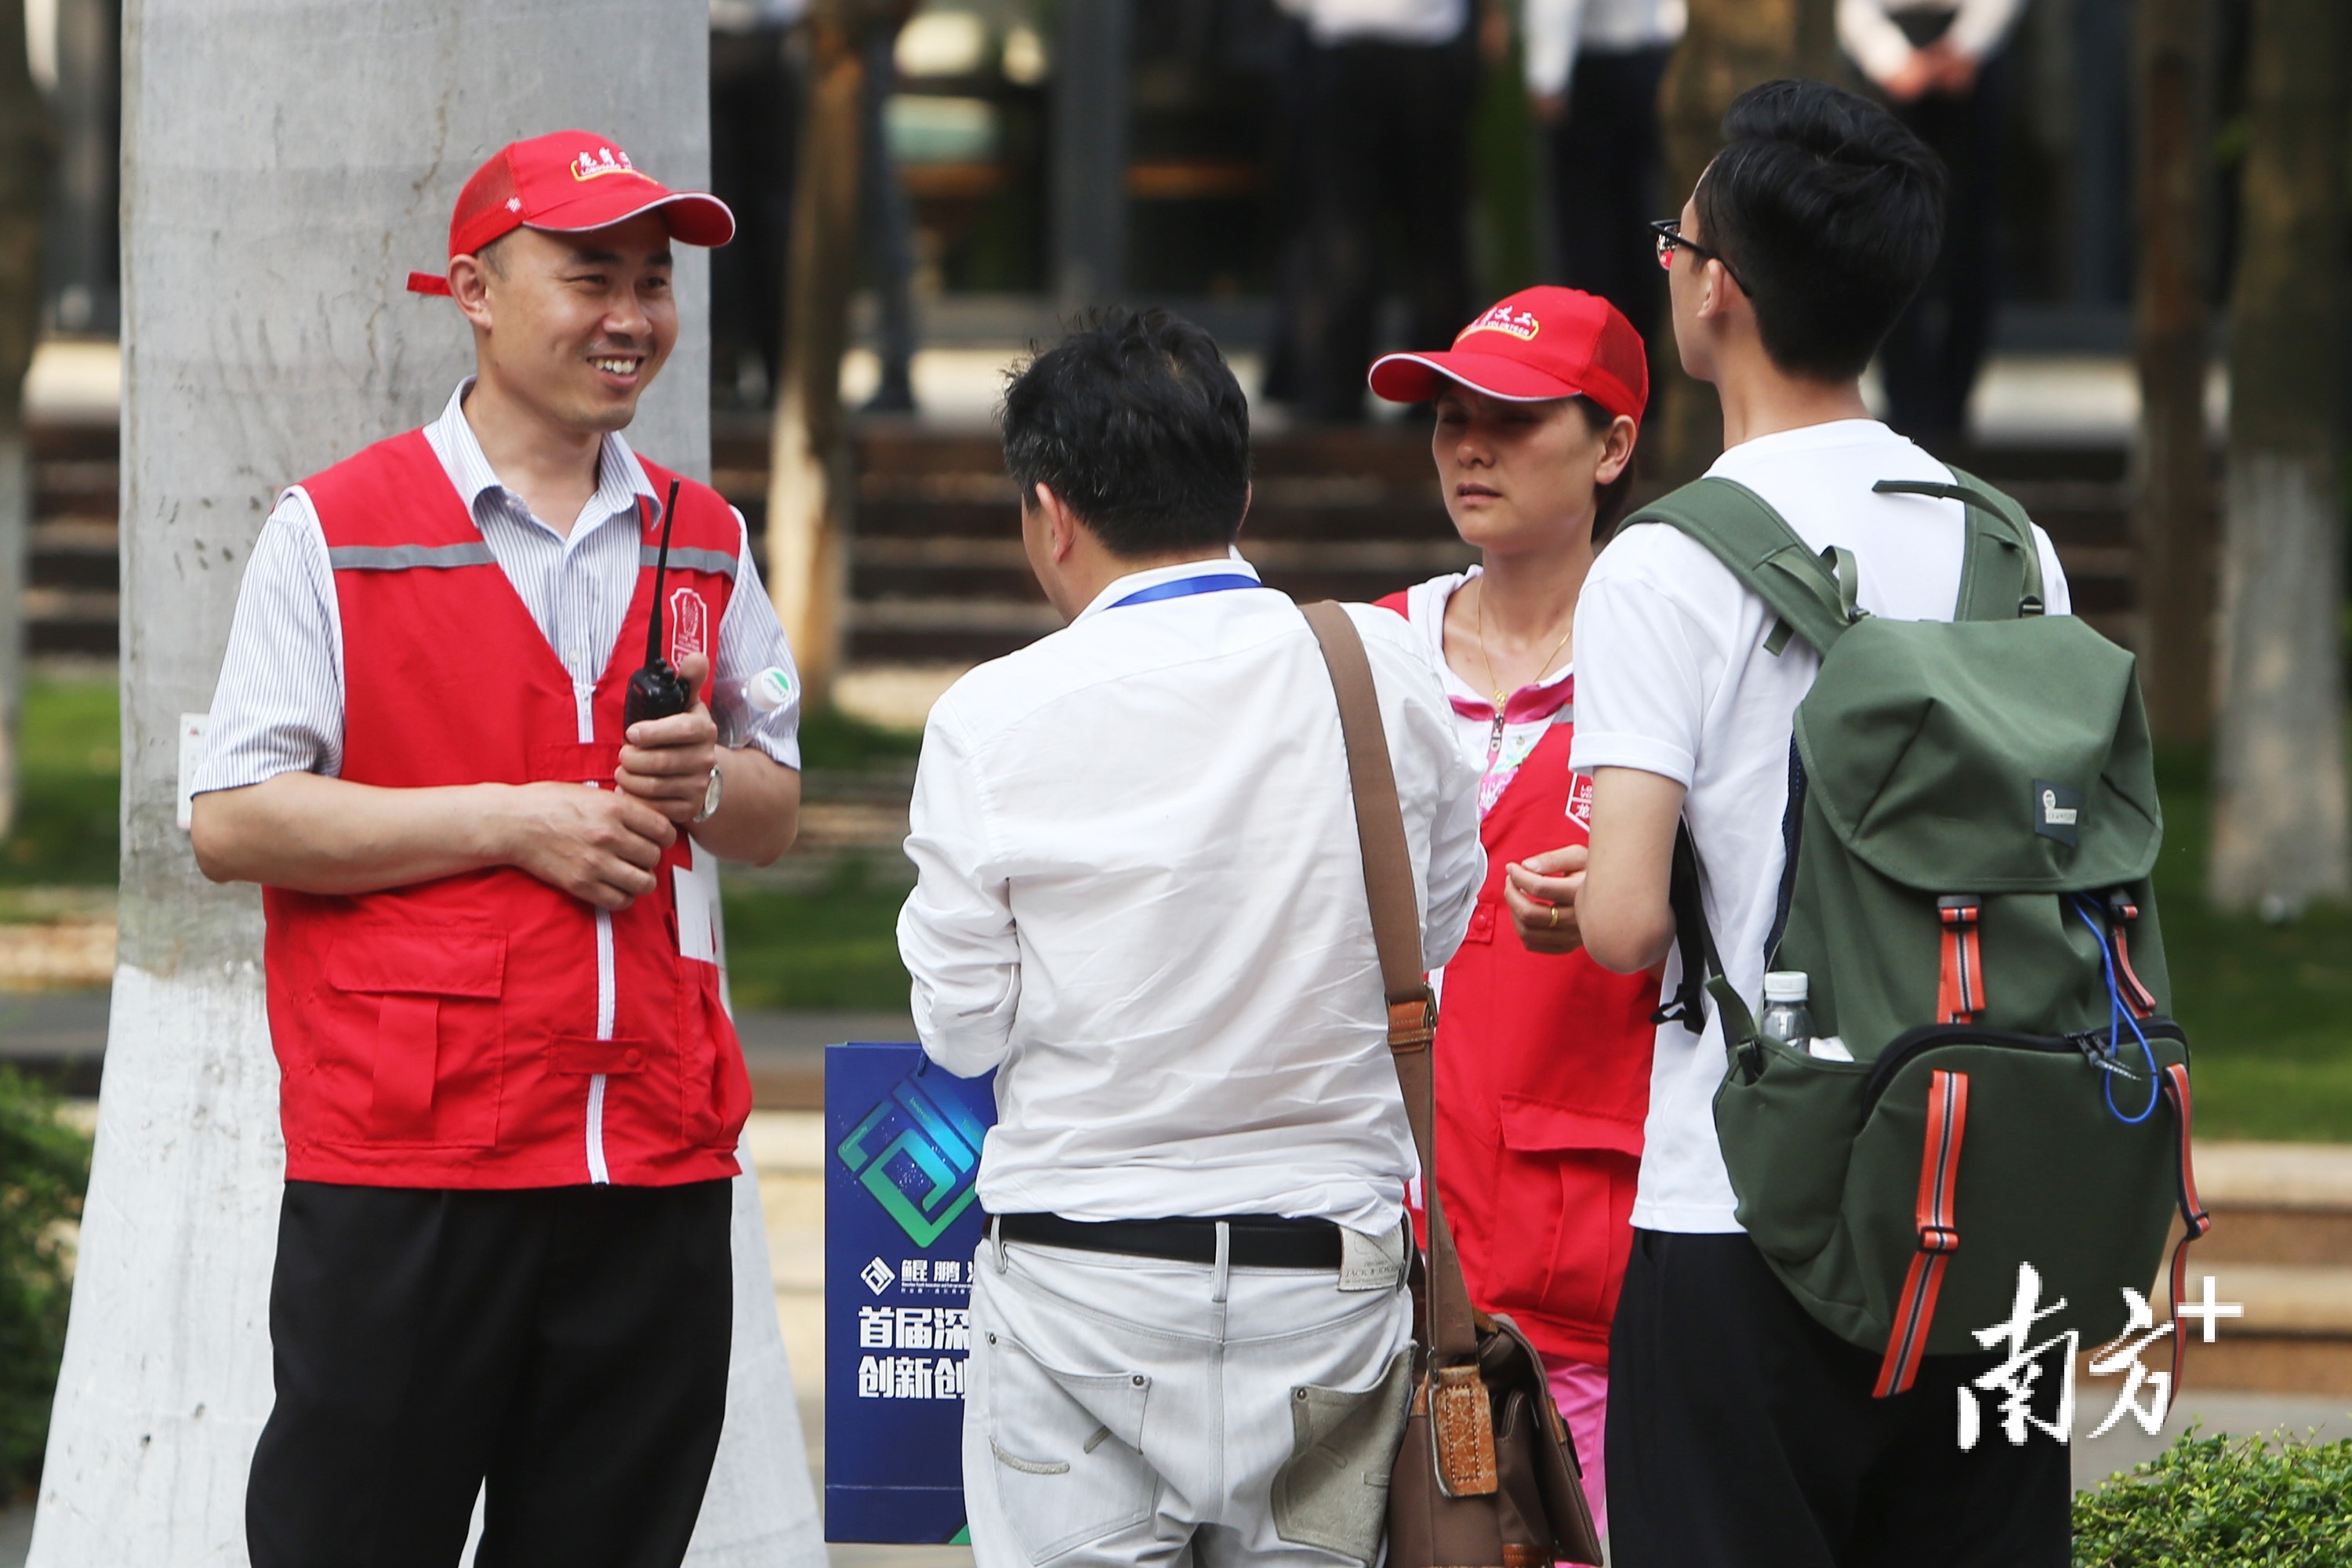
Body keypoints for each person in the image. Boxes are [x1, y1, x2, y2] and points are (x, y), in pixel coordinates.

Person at [187, 129, 805, 1568]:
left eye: (654, 283)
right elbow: (235, 819)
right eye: (590, 276)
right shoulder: (335, 532)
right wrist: (510, 820)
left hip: (651, 1168)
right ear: (473, 288)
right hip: (414, 1165)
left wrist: (709, 782)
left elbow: (772, 807)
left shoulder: (702, 538)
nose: (632, 317)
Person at [1503, 82, 2075, 1564]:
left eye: (1671, 242)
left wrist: (1599, 896)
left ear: (1719, 295)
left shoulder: (1670, 563)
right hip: (1988, 1197)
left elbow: (1627, 924)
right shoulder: (2011, 544)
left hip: (1748, 1213)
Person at [898, 307, 1484, 1568]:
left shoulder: (989, 721)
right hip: (1326, 1297)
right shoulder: (1377, 666)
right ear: (1242, 490)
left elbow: (957, 1028)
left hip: (1077, 1299)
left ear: (1051, 513)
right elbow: (1434, 931)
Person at [1364, 284, 1658, 1534]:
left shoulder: (1671, 667)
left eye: (1516, 417)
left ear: (1613, 445)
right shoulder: (1366, 654)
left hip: (1582, 1290)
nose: (1469, 444)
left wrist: (1652, 897)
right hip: (1368, 1273)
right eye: (1447, 415)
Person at [1272, 0, 1477, 421]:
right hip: (1368, 46)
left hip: (1403, 46)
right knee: (1367, 238)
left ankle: (1420, 391)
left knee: (1414, 239)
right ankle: (1355, 394)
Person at [1839, 0, 2025, 442]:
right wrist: (1888, 58)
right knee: (1882, 239)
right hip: (1887, 63)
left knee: (1969, 246)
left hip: (1970, 63)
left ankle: (1952, 409)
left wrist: (1966, 47)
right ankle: (1905, 404)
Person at [1523, 0, 1684, 339]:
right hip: (1648, 58)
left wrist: (1547, 72)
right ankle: (1644, 354)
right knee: (1642, 216)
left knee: (1587, 230)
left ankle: (1593, 349)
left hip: (1592, 69)